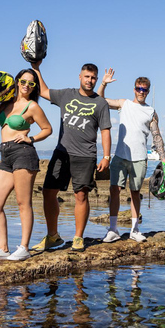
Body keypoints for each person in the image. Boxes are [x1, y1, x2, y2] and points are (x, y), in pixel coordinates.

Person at [30, 60, 112, 252]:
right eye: (87, 77)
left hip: (85, 156)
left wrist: (106, 157)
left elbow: (105, 131)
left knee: (81, 195)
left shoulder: (100, 103)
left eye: (93, 78)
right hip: (62, 152)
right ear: (80, 77)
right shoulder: (67, 94)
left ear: (96, 79)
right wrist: (36, 69)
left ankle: (77, 238)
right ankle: (53, 237)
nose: (90, 80)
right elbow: (43, 91)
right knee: (48, 192)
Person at [0, 69, 53, 261]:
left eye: (31, 84)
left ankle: (24, 247)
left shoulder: (32, 106)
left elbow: (48, 129)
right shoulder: (7, 102)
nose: (26, 86)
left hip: (23, 153)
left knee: (23, 203)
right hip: (5, 154)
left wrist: (31, 138)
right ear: (17, 81)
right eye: (23, 81)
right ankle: (3, 248)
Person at [97, 68, 165, 243]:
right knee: (114, 190)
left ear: (148, 91)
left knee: (135, 193)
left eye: (144, 90)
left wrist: (163, 157)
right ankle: (113, 229)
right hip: (120, 156)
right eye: (138, 88)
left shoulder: (151, 112)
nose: (141, 92)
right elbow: (99, 101)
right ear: (134, 89)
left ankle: (135, 230)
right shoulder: (124, 104)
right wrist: (104, 83)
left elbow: (156, 135)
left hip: (139, 157)